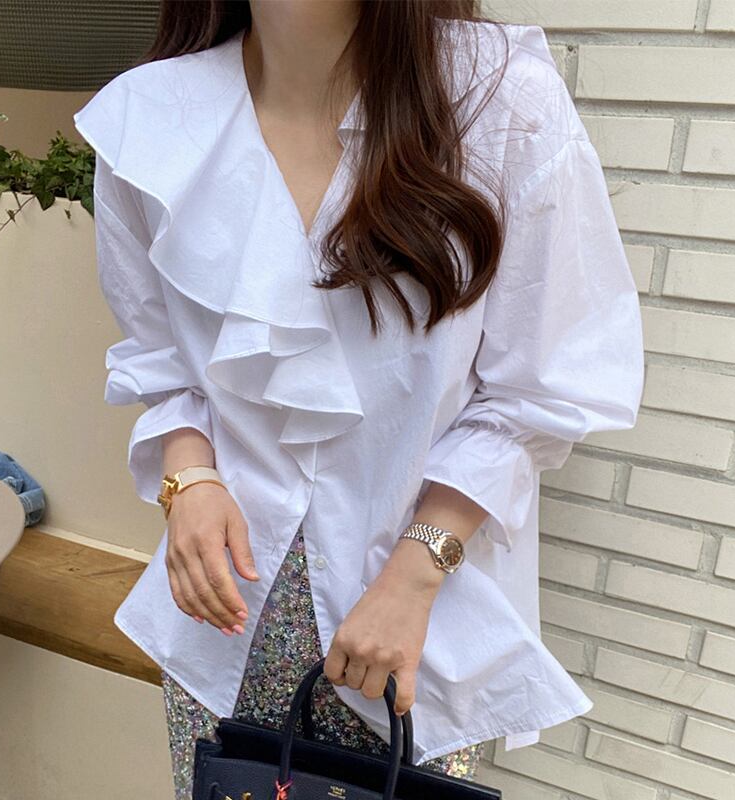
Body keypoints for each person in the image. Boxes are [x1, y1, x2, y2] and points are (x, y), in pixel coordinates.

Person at [73, 1, 645, 797]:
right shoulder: (148, 116)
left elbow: (545, 384)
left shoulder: (500, 100)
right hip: (223, 620)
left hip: (413, 625)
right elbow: (158, 354)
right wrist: (189, 478)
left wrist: (416, 574)